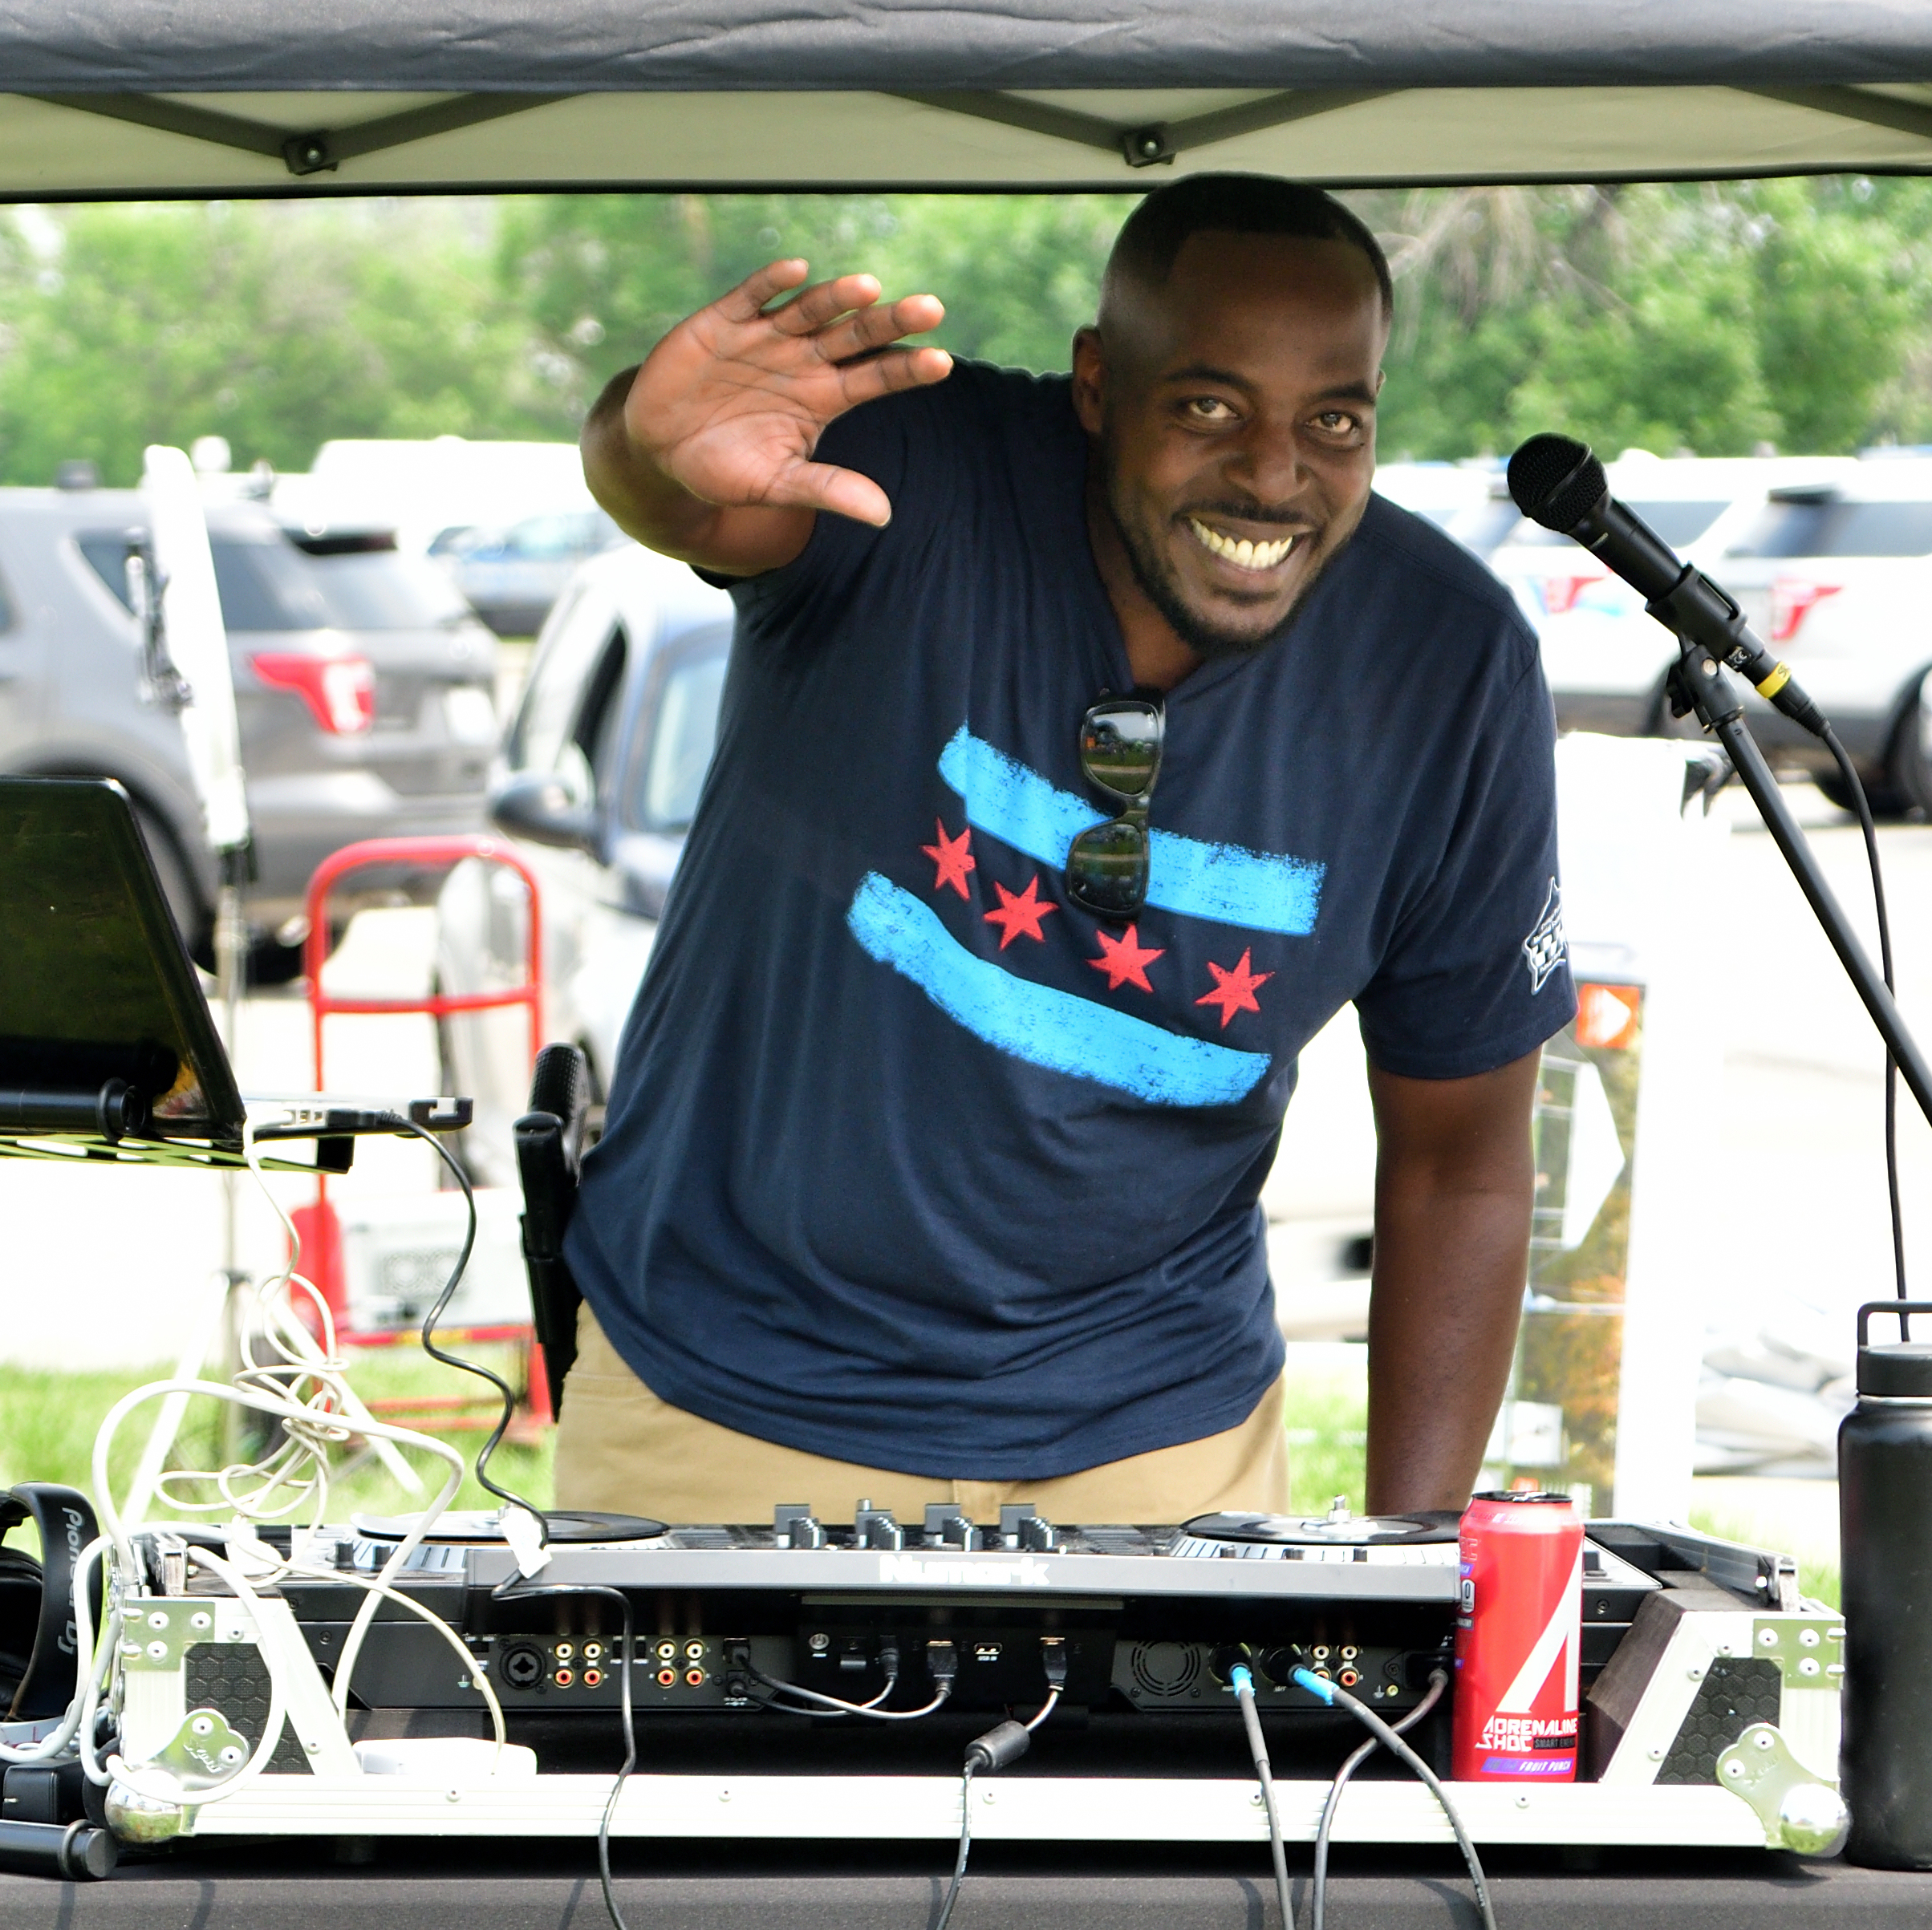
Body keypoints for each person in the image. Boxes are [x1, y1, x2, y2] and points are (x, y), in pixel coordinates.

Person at [555, 173, 1573, 1527]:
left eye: (1332, 420)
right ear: (1098, 383)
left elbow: (1462, 1158)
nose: (1272, 474)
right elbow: (698, 498)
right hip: (737, 1387)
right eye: (1207, 405)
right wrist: (633, 446)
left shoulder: (1445, 663)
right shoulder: (912, 465)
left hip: (1154, 1427)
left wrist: (1414, 1561)